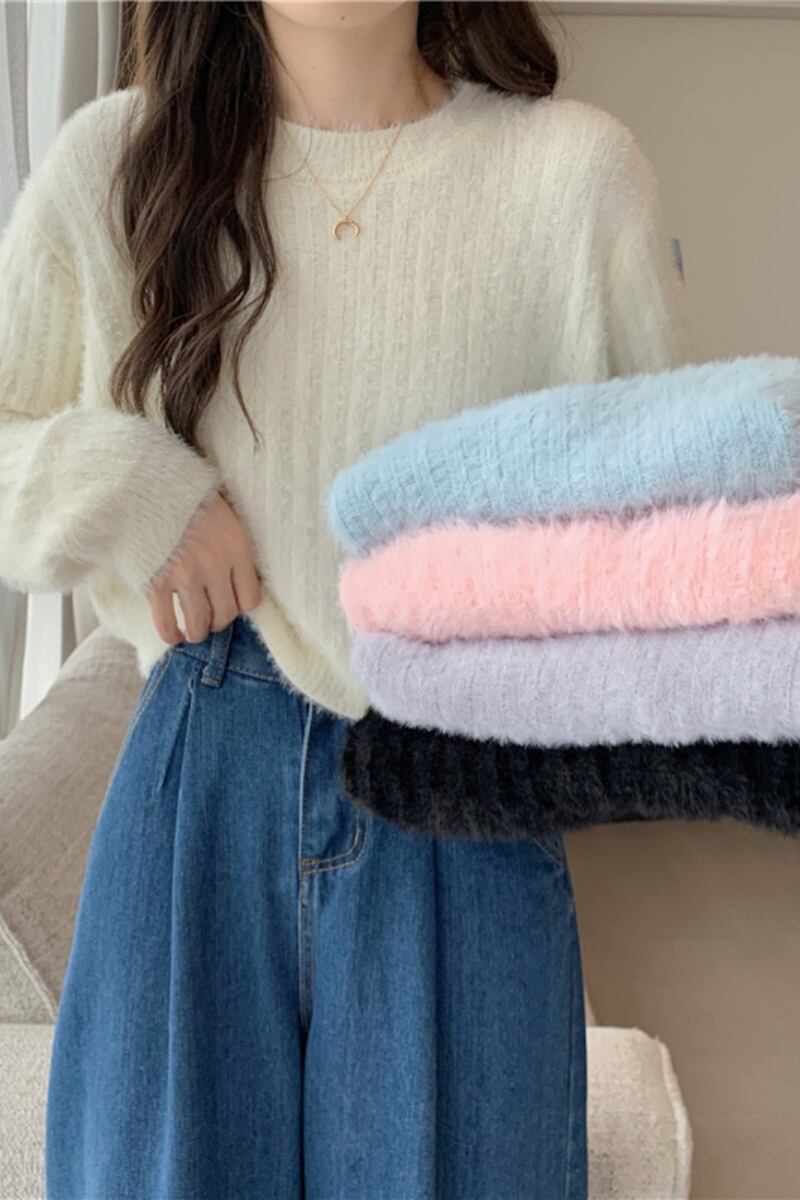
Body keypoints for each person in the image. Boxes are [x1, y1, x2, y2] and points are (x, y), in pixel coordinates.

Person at [0, 2, 693, 1197]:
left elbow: (665, 538)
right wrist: (134, 493)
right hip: (198, 785)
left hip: (457, 785)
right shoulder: (116, 165)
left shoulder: (573, 179)